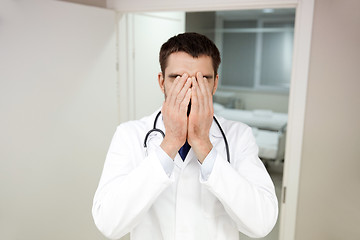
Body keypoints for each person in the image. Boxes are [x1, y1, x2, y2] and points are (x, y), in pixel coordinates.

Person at [92, 32, 278, 240]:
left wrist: (203, 146)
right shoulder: (129, 135)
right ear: (162, 82)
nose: (189, 89)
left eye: (202, 79)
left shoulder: (238, 136)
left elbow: (262, 223)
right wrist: (170, 143)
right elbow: (108, 223)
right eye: (177, 79)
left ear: (215, 83)